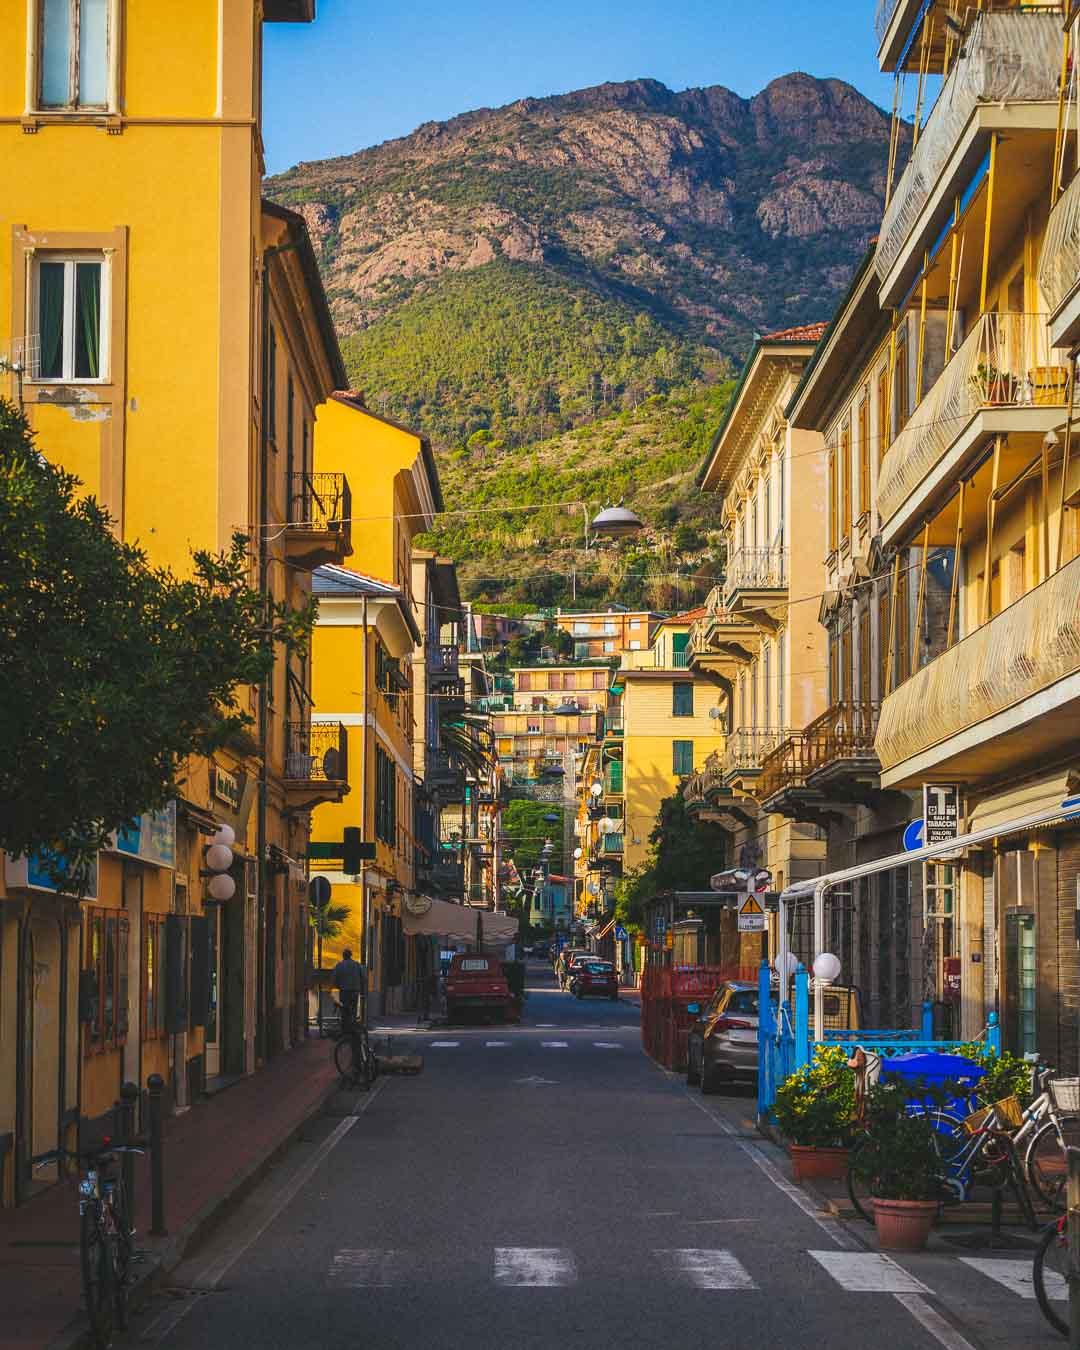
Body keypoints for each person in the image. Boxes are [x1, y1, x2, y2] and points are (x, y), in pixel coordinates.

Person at [331, 948, 367, 1034]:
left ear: (343, 956)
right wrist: (360, 988)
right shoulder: (357, 965)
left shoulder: (339, 965)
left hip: (344, 991)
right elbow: (363, 978)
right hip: (355, 991)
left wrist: (338, 986)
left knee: (344, 1010)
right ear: (351, 955)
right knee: (353, 1010)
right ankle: (353, 1027)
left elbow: (334, 978)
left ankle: (345, 1029)